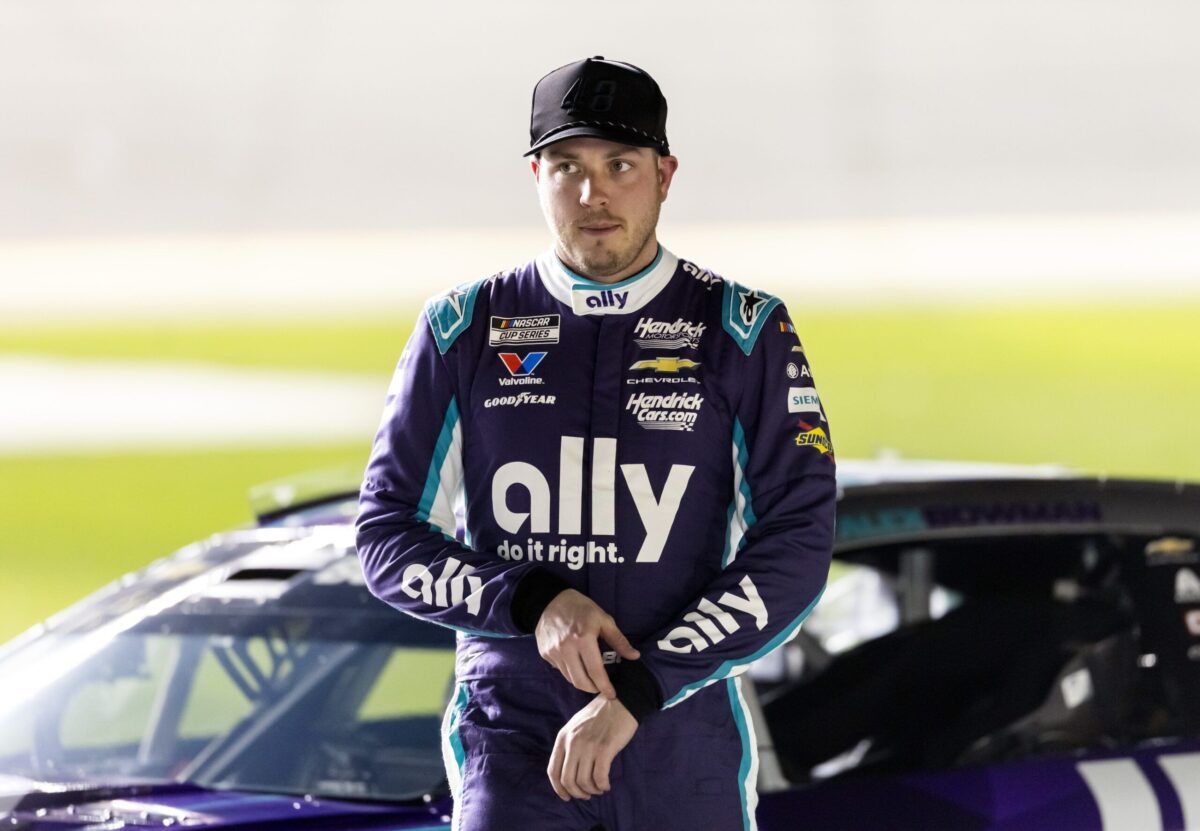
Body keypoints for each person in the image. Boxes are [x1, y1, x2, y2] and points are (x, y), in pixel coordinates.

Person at [356, 56, 835, 831]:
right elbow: (385, 536)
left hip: (680, 736)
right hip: (515, 744)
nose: (594, 194)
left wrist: (640, 691)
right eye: (568, 167)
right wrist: (534, 599)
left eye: (620, 164)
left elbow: (798, 543)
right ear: (536, 177)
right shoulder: (461, 328)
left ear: (665, 175)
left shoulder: (744, 330)